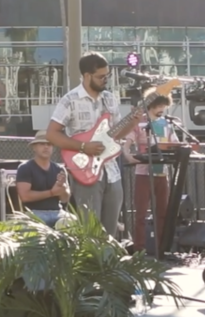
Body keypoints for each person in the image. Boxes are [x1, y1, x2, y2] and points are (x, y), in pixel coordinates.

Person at [46, 52, 123, 237]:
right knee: (90, 230)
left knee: (110, 231)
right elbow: (51, 134)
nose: (105, 80)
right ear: (87, 75)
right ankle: (90, 265)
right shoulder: (70, 100)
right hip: (84, 171)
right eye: (101, 76)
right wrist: (82, 147)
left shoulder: (110, 98)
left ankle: (108, 265)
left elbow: (117, 133)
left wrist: (134, 122)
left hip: (112, 171)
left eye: (107, 76)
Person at [122, 94, 176, 254]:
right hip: (143, 173)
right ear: (152, 105)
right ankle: (140, 248)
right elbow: (128, 142)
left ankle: (162, 248)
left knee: (163, 213)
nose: (161, 110)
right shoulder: (140, 123)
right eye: (159, 106)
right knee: (141, 213)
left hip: (162, 173)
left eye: (164, 107)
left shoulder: (167, 123)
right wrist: (127, 154)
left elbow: (174, 142)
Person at [15, 132, 71, 226]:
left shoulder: (60, 169)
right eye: (42, 144)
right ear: (34, 147)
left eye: (49, 144)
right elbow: (25, 197)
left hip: (58, 212)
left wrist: (62, 188)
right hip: (34, 213)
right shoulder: (25, 168)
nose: (46, 147)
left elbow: (65, 199)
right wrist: (52, 192)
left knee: (73, 222)